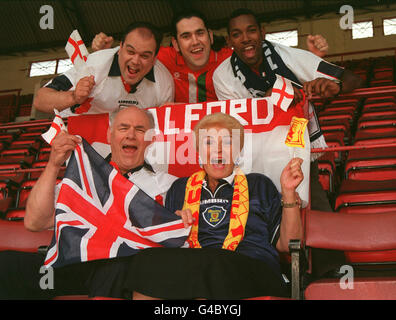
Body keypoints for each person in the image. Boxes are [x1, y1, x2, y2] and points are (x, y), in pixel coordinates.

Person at [112, 112, 304, 299]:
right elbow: (166, 243)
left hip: (250, 265)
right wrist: (176, 227)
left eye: (227, 143)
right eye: (209, 142)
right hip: (194, 265)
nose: (218, 150)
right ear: (199, 152)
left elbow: (288, 244)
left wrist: (288, 193)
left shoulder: (259, 184)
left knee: (212, 264)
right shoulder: (180, 188)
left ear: (239, 151)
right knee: (147, 261)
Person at [0, 106, 178, 299]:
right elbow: (34, 222)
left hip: (121, 272)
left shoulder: (168, 185)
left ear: (150, 138)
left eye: (140, 129)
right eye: (123, 128)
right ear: (110, 134)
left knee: (117, 262)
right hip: (70, 271)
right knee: (7, 264)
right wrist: (53, 164)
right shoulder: (83, 176)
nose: (131, 135)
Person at [212, 8, 362, 212]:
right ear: (229, 40)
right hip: (256, 154)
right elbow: (236, 126)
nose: (246, 39)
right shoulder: (222, 75)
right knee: (264, 210)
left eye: (251, 31)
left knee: (313, 204)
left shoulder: (289, 56)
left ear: (262, 32)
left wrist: (335, 87)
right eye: (237, 34)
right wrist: (272, 97)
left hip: (296, 144)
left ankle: (324, 240)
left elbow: (352, 78)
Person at [91, 9, 329, 104]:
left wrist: (311, 58)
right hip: (179, 144)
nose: (195, 41)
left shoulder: (230, 61)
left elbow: (273, 65)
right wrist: (103, 55)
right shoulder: (159, 58)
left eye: (199, 33)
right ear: (175, 43)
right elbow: (132, 59)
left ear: (210, 35)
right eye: (186, 36)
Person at [33, 21, 174, 117]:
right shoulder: (95, 65)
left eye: (144, 56)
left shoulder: (164, 82)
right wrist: (74, 96)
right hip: (85, 136)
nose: (135, 61)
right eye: (130, 52)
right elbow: (40, 100)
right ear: (120, 48)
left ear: (155, 58)